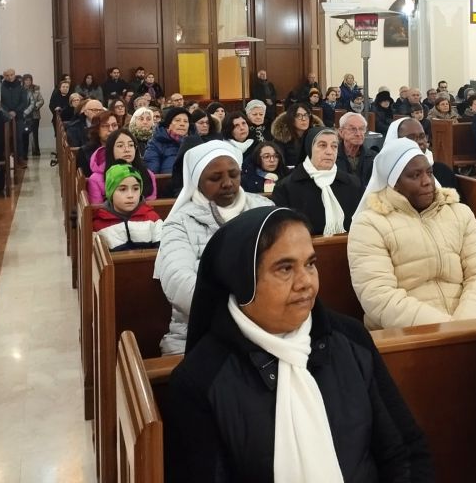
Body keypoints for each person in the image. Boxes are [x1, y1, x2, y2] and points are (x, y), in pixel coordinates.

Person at [164, 206, 433, 483]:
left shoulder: (350, 339)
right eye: (285, 268)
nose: (306, 282)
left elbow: (405, 453)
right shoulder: (200, 380)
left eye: (310, 264)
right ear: (242, 279)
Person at [347, 138, 476, 329]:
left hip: (471, 325)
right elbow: (379, 296)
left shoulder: (459, 213)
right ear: (394, 183)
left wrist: (467, 326)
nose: (427, 181)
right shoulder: (370, 224)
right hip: (408, 336)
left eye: (429, 172)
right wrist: (445, 330)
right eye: (415, 175)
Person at [154, 143, 273, 354]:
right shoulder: (179, 222)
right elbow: (178, 281)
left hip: (267, 325)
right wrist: (242, 312)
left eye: (234, 175)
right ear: (197, 182)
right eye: (215, 178)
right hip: (197, 330)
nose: (227, 183)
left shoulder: (265, 209)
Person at [272, 128, 362, 236]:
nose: (329, 152)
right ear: (309, 149)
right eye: (322, 145)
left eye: (334, 146)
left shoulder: (352, 184)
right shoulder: (286, 187)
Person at [91, 165, 162, 251]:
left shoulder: (152, 218)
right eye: (123, 189)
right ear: (111, 192)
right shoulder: (98, 223)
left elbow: (164, 248)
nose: (130, 195)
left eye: (135, 188)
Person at [377, 116, 457, 189]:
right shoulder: (386, 173)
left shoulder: (443, 171)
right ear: (396, 142)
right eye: (411, 138)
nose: (420, 142)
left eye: (422, 136)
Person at [87, 127, 157, 204]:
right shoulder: (95, 179)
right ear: (111, 149)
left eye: (131, 145)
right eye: (120, 146)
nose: (127, 150)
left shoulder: (148, 174)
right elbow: (97, 208)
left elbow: (151, 204)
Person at [271, 103, 323, 167]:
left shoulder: (316, 137)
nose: (304, 119)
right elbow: (279, 165)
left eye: (306, 115)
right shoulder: (281, 139)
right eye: (298, 116)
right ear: (291, 118)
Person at [145, 107, 192, 176]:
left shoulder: (194, 142)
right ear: (168, 124)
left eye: (185, 121)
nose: (182, 124)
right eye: (177, 120)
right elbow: (152, 173)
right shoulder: (155, 143)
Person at [0, 68, 30, 167]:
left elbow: (24, 102)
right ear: (4, 76)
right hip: (5, 117)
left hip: (18, 116)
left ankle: (20, 158)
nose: (10, 77)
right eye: (7, 75)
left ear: (14, 75)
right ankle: (7, 159)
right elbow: (0, 102)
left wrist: (15, 111)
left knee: (19, 137)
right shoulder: (1, 87)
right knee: (6, 138)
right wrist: (7, 112)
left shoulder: (21, 88)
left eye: (11, 75)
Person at [78, 112, 119, 177]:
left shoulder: (123, 149)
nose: (111, 130)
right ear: (97, 129)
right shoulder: (86, 152)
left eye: (114, 125)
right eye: (105, 126)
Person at [335, 112, 373, 181]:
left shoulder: (374, 158)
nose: (358, 134)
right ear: (341, 132)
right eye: (352, 129)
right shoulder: (332, 156)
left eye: (361, 129)